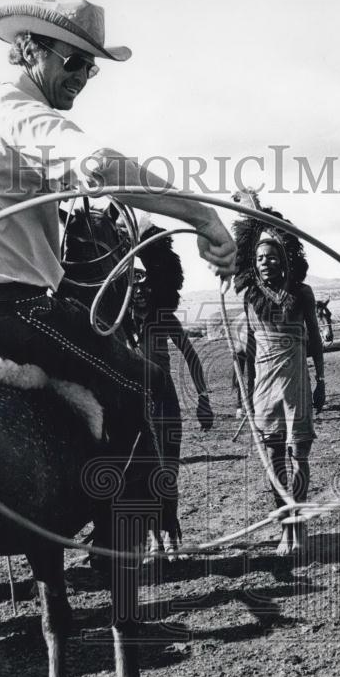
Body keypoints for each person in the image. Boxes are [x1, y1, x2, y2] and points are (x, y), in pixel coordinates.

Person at [0, 0, 236, 542]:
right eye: (73, 62)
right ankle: (120, 545)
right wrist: (203, 216)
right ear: (29, 50)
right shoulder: (24, 114)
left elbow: (18, 175)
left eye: (91, 67)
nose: (85, 75)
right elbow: (100, 161)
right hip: (6, 308)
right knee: (150, 387)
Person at [234, 191, 326, 555]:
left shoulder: (301, 293)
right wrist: (243, 398)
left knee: (297, 454)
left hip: (296, 385)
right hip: (264, 389)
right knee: (273, 459)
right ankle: (284, 523)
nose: (265, 263)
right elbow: (247, 353)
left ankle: (298, 525)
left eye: (272, 257)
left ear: (284, 260)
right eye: (259, 259)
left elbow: (315, 339)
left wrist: (321, 380)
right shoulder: (249, 298)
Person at [129, 219, 214, 559]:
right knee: (141, 473)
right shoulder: (117, 324)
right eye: (132, 282)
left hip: (165, 404)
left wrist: (204, 400)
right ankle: (154, 540)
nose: (139, 290)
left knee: (167, 473)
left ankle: (171, 531)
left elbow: (193, 359)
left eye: (144, 282)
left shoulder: (164, 319)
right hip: (133, 406)